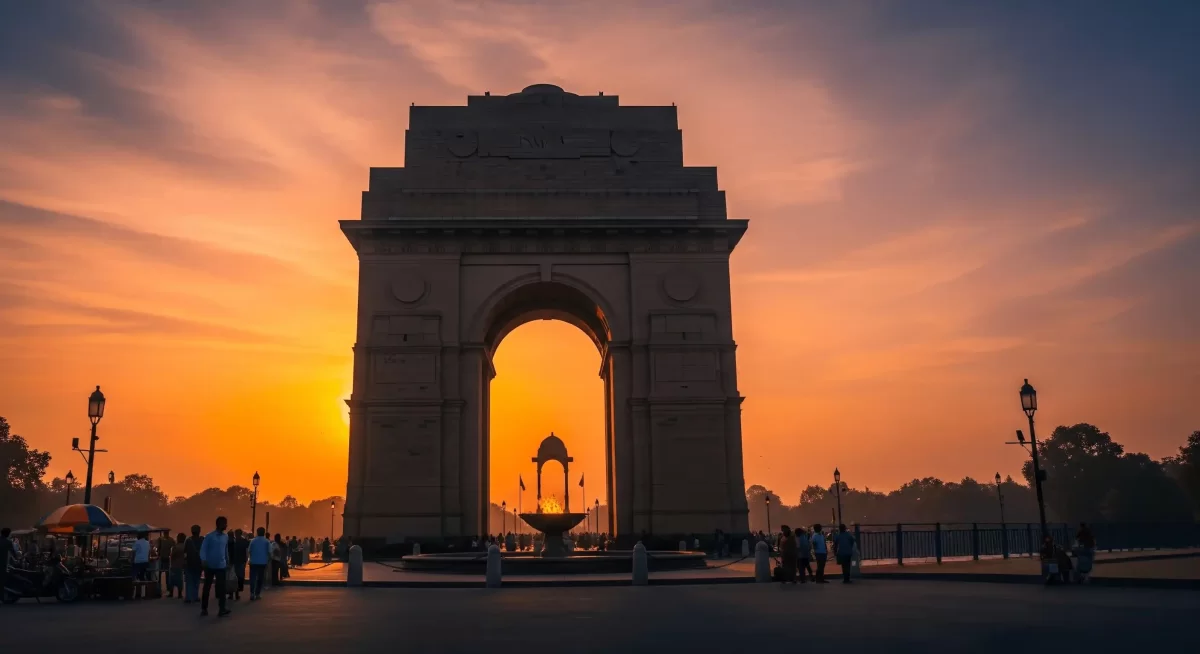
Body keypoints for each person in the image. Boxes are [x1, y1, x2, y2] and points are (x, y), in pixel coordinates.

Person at [199, 516, 231, 617]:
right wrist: (203, 559)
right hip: (210, 565)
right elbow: (203, 549)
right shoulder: (209, 536)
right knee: (207, 587)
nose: (226, 525)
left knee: (222, 588)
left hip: (221, 565)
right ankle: (204, 608)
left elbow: (225, 549)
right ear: (219, 524)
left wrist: (227, 560)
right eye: (225, 523)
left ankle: (222, 608)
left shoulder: (226, 537)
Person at [248, 527, 270, 600]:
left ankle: (252, 593)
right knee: (260, 578)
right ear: (264, 533)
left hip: (253, 562)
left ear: (257, 532)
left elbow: (249, 551)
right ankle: (257, 594)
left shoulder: (253, 541)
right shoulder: (267, 541)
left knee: (253, 578)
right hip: (262, 562)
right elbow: (269, 552)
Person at [184, 525, 204, 603]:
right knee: (196, 581)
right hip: (198, 563)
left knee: (189, 581)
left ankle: (188, 597)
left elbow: (185, 553)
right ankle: (195, 596)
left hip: (189, 563)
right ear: (199, 531)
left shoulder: (188, 540)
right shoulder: (202, 540)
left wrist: (185, 562)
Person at [131, 531, 151, 596]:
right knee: (143, 577)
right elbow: (149, 553)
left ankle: (137, 594)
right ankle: (147, 593)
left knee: (135, 578)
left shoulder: (136, 542)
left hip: (137, 562)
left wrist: (132, 561)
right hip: (145, 562)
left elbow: (133, 553)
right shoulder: (147, 543)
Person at [168, 533, 186, 598]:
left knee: (172, 580)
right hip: (181, 566)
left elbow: (172, 556)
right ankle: (179, 594)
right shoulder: (184, 546)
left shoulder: (175, 547)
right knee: (180, 580)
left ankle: (171, 593)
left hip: (174, 565)